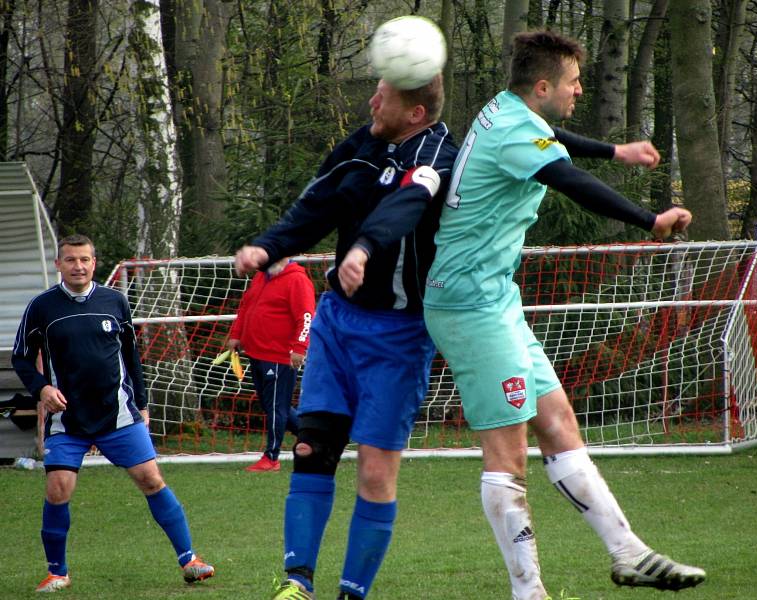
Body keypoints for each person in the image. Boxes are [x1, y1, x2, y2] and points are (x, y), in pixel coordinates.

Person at [423, 30, 706, 599]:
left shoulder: (509, 109)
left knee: (557, 423)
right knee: (507, 456)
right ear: (544, 86)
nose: (579, 92)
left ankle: (629, 554)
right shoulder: (510, 131)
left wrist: (615, 151)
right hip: (468, 304)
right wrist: (648, 219)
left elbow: (555, 140)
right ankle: (528, 593)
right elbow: (567, 179)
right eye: (573, 83)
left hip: (494, 298)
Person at [234, 74, 459, 600]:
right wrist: (266, 249)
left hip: (400, 336)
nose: (372, 102)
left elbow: (401, 210)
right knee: (311, 446)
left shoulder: (439, 155)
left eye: (384, 97)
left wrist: (361, 250)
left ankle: (351, 593)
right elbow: (315, 207)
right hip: (338, 324)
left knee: (376, 474)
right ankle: (297, 583)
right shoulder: (360, 147)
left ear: (416, 114)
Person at [12, 234, 214, 593]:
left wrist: (144, 403)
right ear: (58, 264)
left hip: (118, 414)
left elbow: (132, 356)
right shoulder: (41, 307)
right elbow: (21, 358)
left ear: (95, 263)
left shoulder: (115, 301)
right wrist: (42, 389)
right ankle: (57, 572)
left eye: (85, 259)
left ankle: (190, 560)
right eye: (71, 260)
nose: (78, 266)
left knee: (151, 479)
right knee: (58, 489)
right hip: (68, 419)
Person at [228, 256, 316, 472]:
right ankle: (315, 442)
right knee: (275, 406)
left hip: (280, 356)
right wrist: (236, 334)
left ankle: (271, 457)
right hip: (256, 352)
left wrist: (299, 347)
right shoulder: (260, 276)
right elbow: (245, 307)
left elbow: (306, 316)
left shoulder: (297, 280)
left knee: (277, 408)